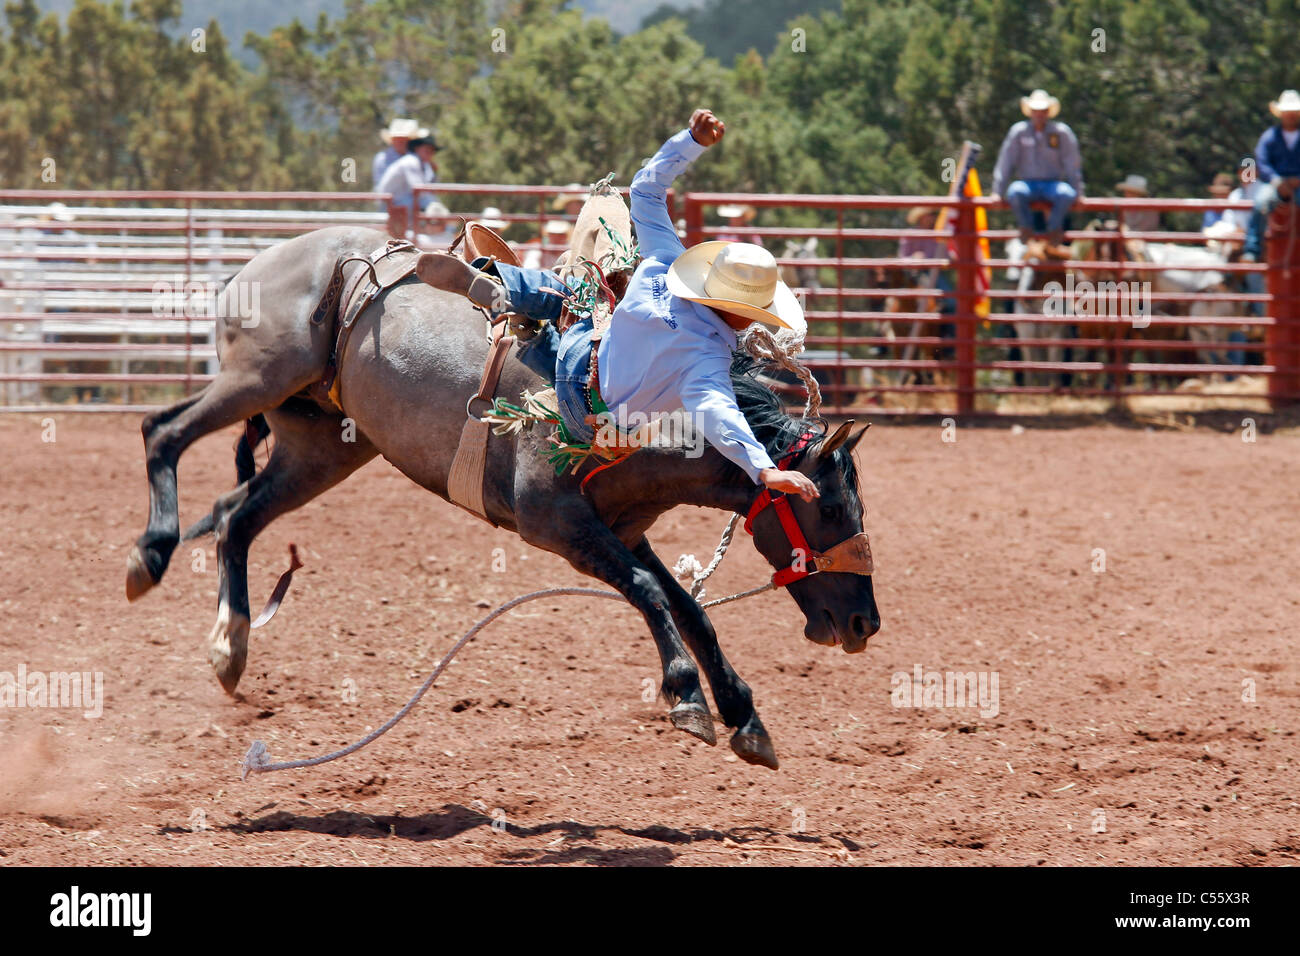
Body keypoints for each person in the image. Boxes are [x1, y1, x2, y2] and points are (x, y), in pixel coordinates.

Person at [415, 108, 817, 501]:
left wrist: (690, 143)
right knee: (581, 355)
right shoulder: (704, 361)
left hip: (585, 350)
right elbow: (720, 416)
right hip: (590, 419)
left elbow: (645, 190)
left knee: (569, 294)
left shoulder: (665, 261)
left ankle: (499, 283)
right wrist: (763, 468)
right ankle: (531, 338)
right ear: (747, 313)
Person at [991, 89, 1084, 243]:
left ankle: (1054, 228)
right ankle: (1026, 227)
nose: (1039, 114)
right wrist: (997, 191)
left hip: (1053, 184)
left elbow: (1072, 163)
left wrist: (1079, 192)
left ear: (1048, 112)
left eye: (1043, 111)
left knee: (1067, 194)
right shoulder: (1019, 132)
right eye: (1036, 111)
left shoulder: (1061, 133)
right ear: (1030, 112)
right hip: (1027, 183)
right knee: (1015, 192)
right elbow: (1006, 161)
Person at [1243, 90, 1300, 263]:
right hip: (1275, 183)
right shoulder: (1269, 137)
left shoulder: (1270, 136)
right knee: (1261, 203)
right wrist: (1276, 181)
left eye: (1293, 112)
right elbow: (1262, 161)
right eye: (1287, 112)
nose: (1290, 115)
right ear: (1281, 114)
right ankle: (1252, 249)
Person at [378, 135, 440, 237]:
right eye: (427, 150)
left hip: (398, 204)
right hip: (392, 206)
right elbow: (419, 190)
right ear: (417, 149)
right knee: (429, 205)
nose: (430, 153)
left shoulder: (419, 163)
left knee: (428, 204)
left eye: (432, 151)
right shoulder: (411, 162)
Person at [372, 118, 427, 189]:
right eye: (397, 138)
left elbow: (424, 181)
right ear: (392, 139)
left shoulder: (415, 158)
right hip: (391, 197)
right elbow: (379, 185)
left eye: (403, 138)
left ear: (408, 140)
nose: (400, 141)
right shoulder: (382, 158)